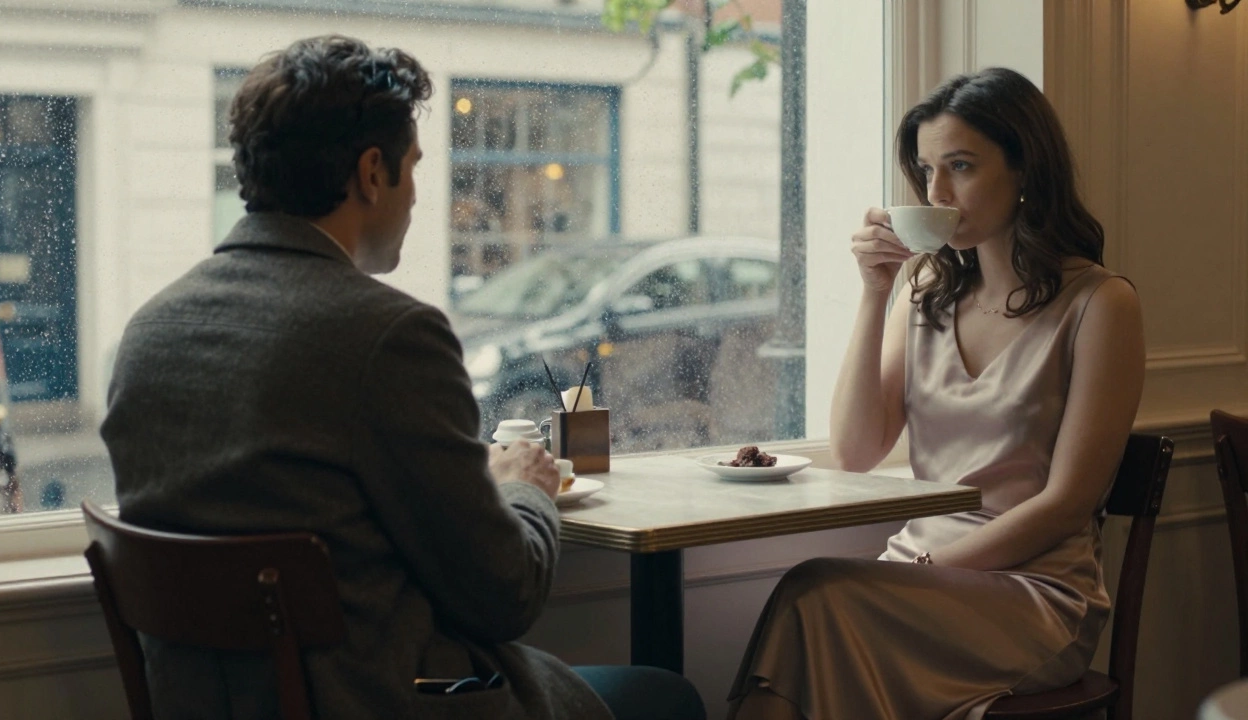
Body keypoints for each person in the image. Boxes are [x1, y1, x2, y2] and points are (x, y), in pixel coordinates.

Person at [100, 35, 704, 720]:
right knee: (665, 696)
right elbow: (504, 597)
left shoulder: (148, 331)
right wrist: (523, 491)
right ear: (370, 174)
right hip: (377, 703)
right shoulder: (389, 337)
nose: (418, 197)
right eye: (412, 167)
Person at [726, 67, 1146, 720]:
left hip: (1035, 594)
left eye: (961, 166)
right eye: (926, 171)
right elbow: (859, 449)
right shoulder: (925, 290)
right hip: (922, 577)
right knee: (813, 611)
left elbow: (1066, 506)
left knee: (815, 600)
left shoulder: (1100, 304)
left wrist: (930, 563)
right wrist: (875, 291)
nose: (938, 190)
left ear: (1026, 170)